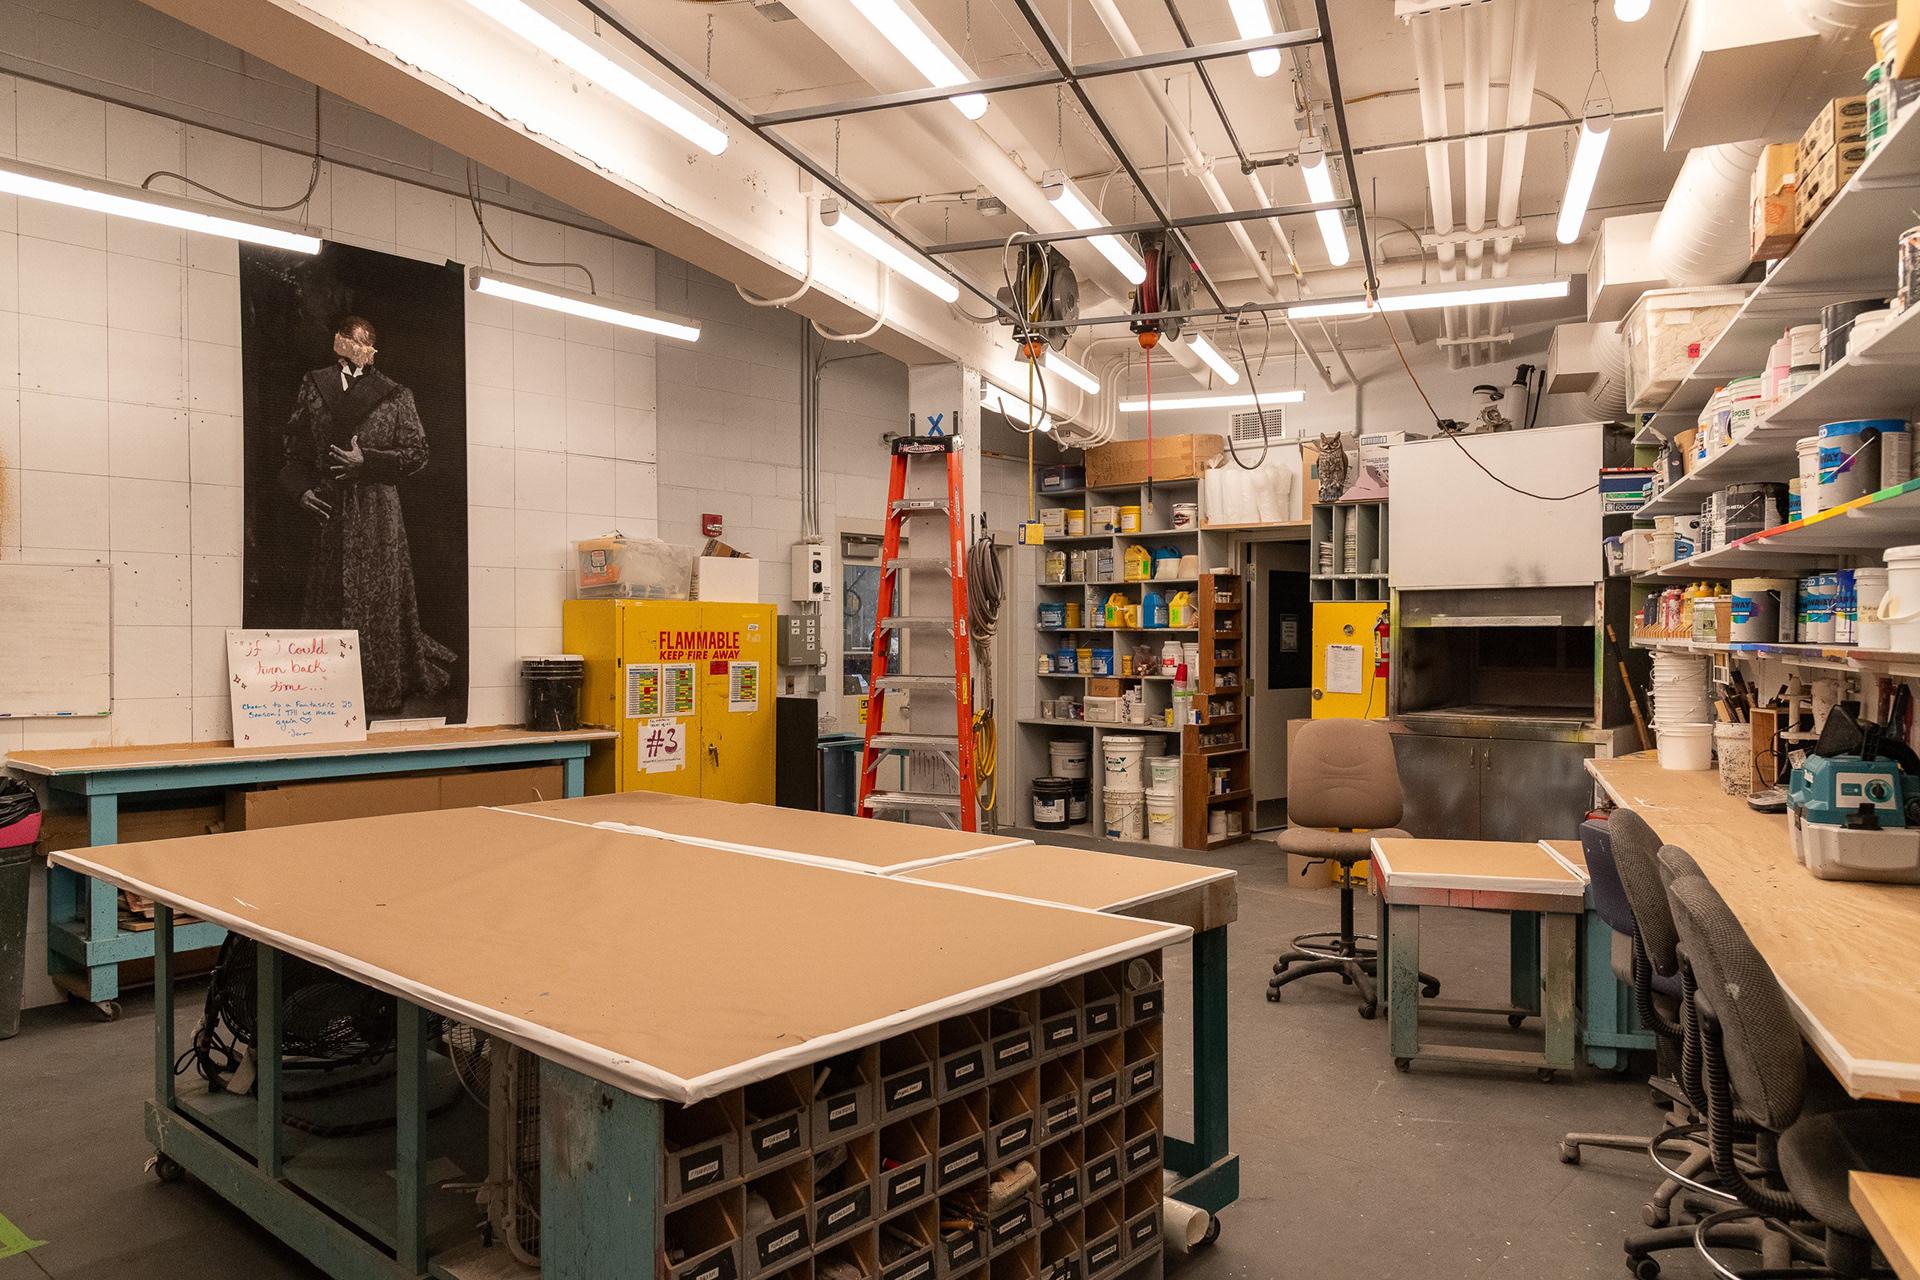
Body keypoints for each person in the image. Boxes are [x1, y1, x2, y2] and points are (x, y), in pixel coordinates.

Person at [279, 315, 455, 714]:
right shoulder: (314, 384)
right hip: (327, 508)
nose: (358, 349)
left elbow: (417, 454)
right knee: (329, 599)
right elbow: (292, 446)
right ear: (339, 343)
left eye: (365, 343)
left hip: (377, 511)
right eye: (350, 341)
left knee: (377, 600)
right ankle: (325, 692)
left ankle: (375, 689)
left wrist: (368, 461)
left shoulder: (395, 394)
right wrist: (300, 489)